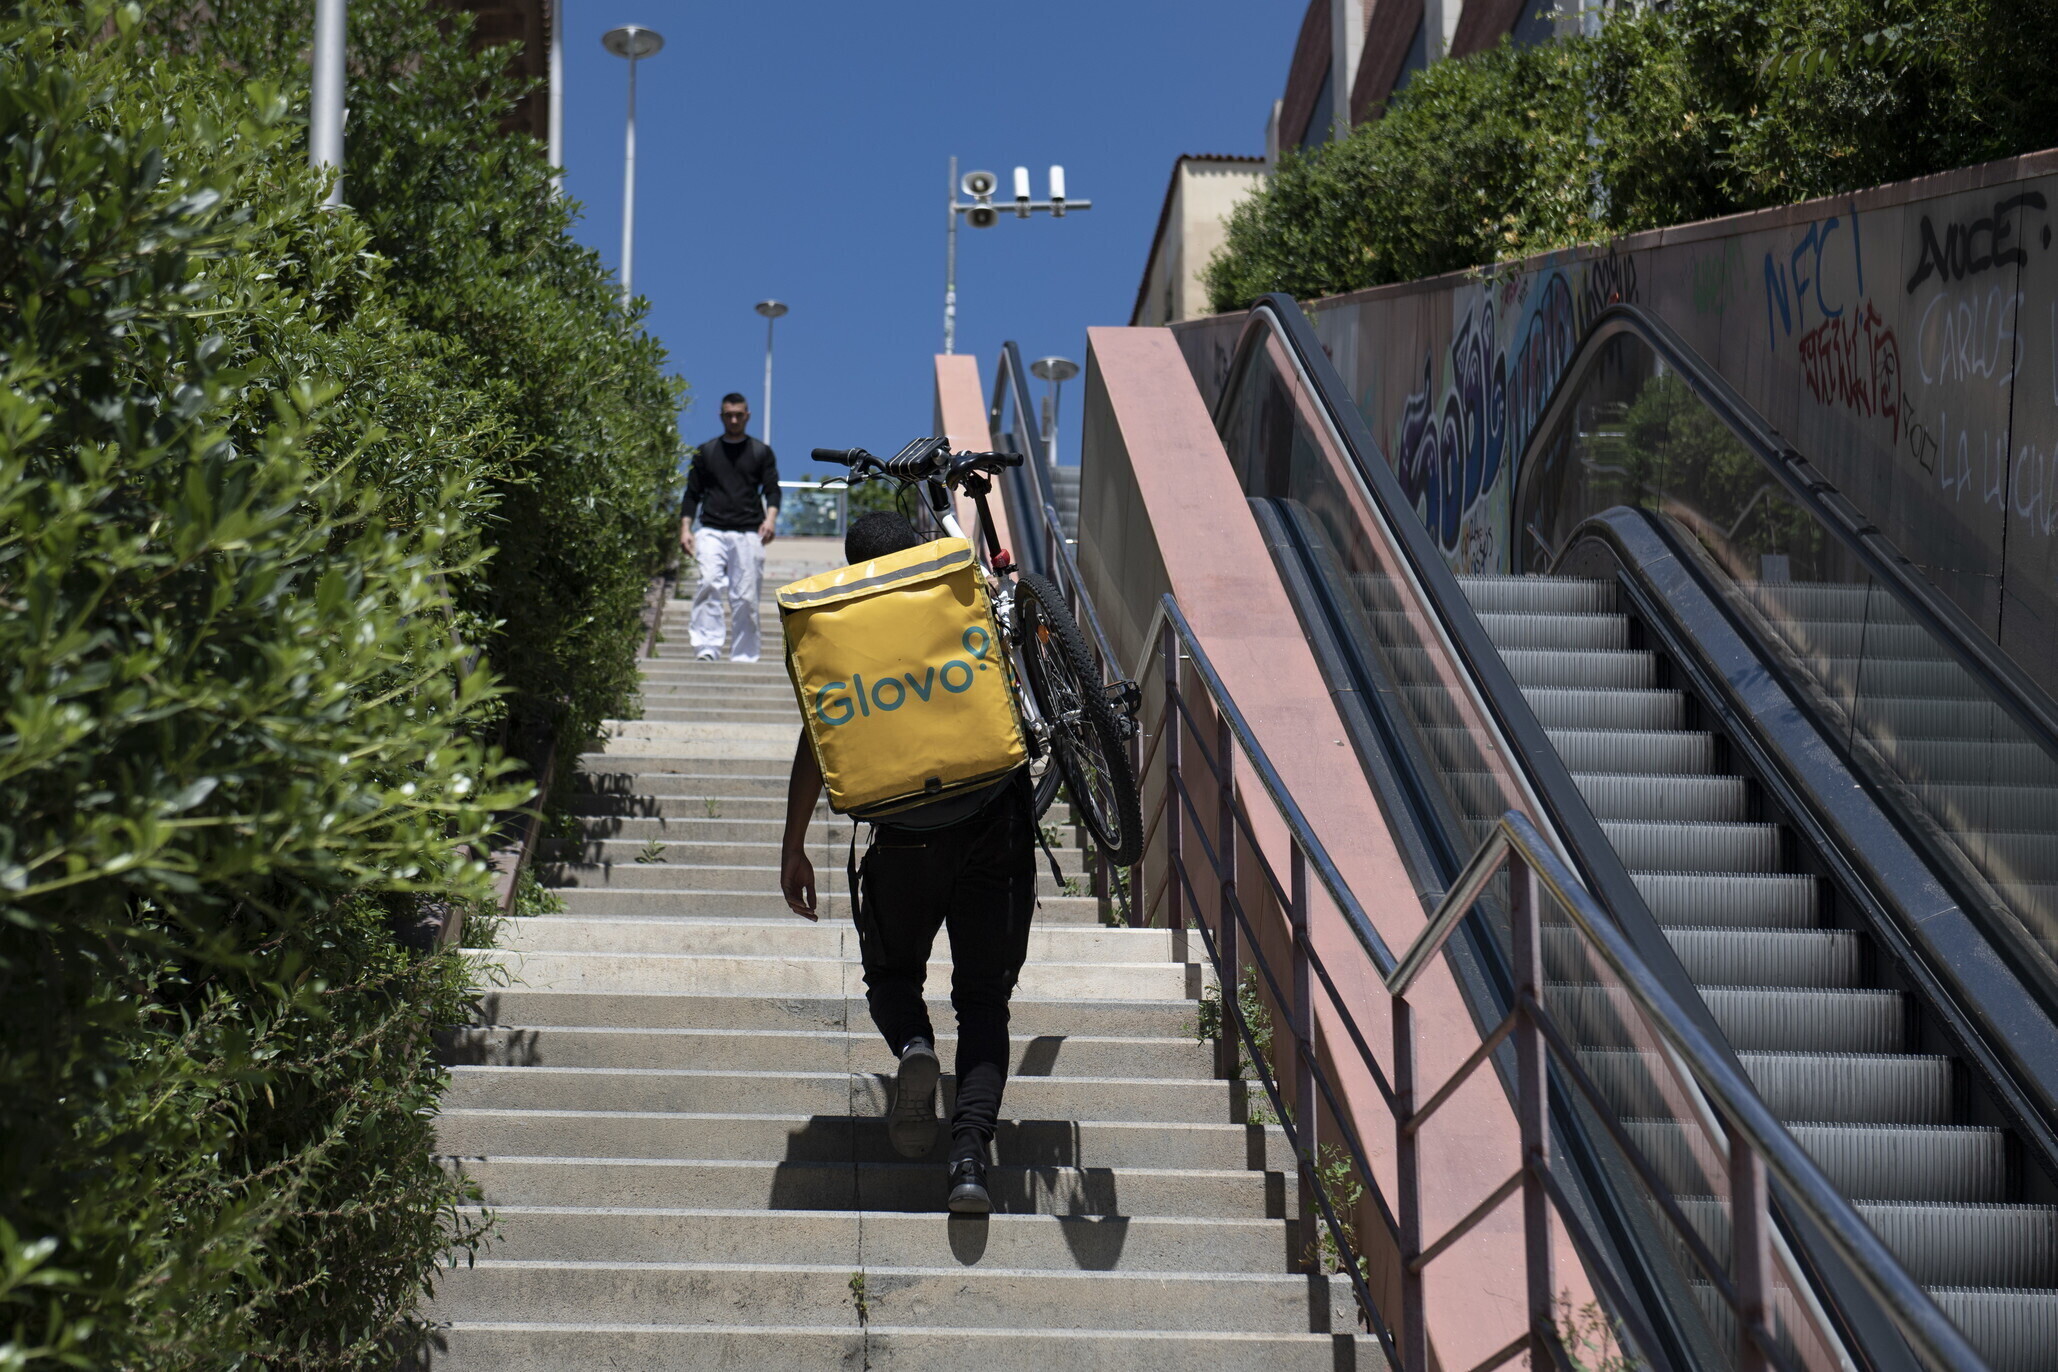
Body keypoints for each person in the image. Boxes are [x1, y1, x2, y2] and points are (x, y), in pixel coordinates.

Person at [778, 511, 1036, 1215]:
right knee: (985, 1001)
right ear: (916, 550)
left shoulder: (840, 631)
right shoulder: (954, 599)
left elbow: (819, 740)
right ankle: (968, 1160)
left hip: (902, 838)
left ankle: (915, 1043)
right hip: (995, 821)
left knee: (892, 975)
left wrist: (793, 843)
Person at [680, 393, 780, 662]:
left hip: (748, 532)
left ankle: (744, 656)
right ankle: (706, 647)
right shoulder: (706, 452)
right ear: (721, 416)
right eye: (728, 415)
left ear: (747, 415)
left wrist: (770, 520)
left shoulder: (760, 452)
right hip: (712, 529)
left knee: (746, 597)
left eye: (738, 414)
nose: (734, 419)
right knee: (709, 582)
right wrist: (686, 529)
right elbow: (692, 494)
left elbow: (772, 491)